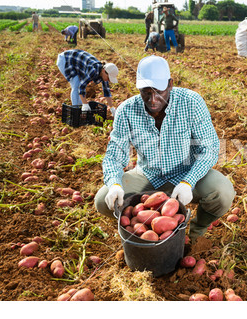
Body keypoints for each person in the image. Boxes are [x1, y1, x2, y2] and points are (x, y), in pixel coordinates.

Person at [95, 56, 236, 242]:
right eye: (146, 92)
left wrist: (188, 182)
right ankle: (138, 234)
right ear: (138, 88)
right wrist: (114, 184)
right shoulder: (126, 110)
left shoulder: (191, 103)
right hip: (148, 175)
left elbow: (209, 149)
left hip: (186, 173)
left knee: (223, 192)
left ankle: (197, 231)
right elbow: (114, 156)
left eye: (158, 92)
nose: (153, 99)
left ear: (170, 84)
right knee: (103, 200)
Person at [56, 49, 118, 114]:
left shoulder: (103, 73)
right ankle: (75, 111)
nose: (108, 80)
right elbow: (81, 87)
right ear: (104, 71)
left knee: (78, 84)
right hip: (66, 59)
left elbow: (107, 91)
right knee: (76, 85)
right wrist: (85, 104)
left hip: (76, 62)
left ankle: (80, 109)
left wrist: (111, 108)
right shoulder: (93, 70)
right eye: (108, 77)